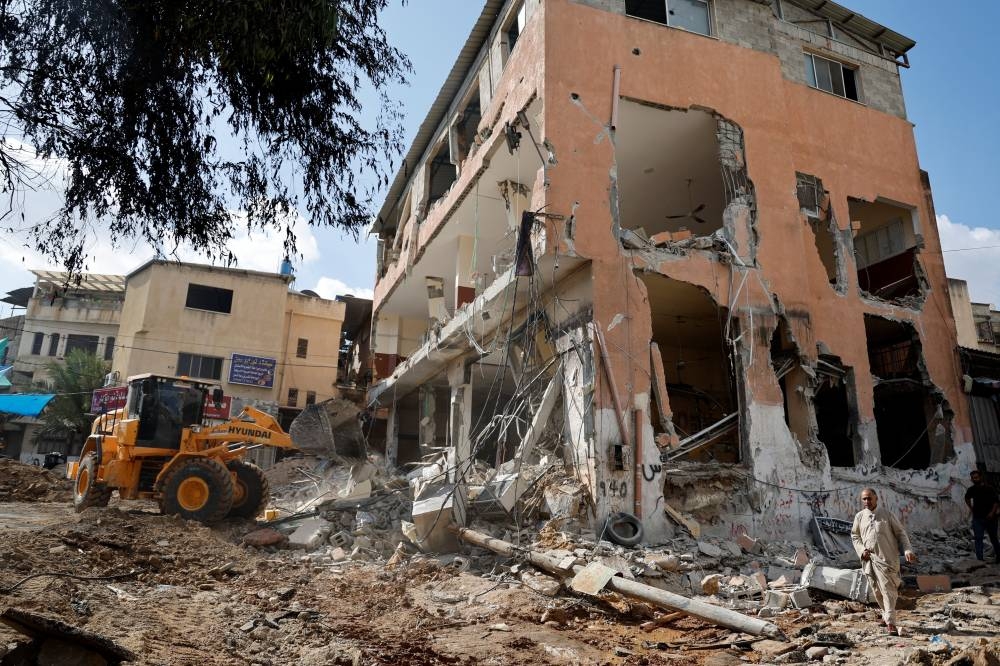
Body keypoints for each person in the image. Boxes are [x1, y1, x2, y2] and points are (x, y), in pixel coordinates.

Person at [850, 488, 917, 636]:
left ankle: (891, 622)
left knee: (888, 591)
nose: (867, 501)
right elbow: (855, 536)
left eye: (869, 498)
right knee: (877, 591)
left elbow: (901, 533)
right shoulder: (859, 517)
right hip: (870, 560)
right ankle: (886, 614)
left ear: (876, 498)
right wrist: (861, 550)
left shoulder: (887, 515)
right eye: (864, 499)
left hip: (887, 560)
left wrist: (907, 550)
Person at [964, 470, 1000, 563]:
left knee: (993, 538)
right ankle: (979, 559)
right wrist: (971, 508)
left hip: (991, 518)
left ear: (980, 477)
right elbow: (967, 498)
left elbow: (996, 502)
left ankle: (999, 557)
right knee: (978, 538)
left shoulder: (989, 488)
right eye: (973, 478)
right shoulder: (971, 489)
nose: (975, 479)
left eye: (976, 477)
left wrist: (992, 513)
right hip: (978, 518)